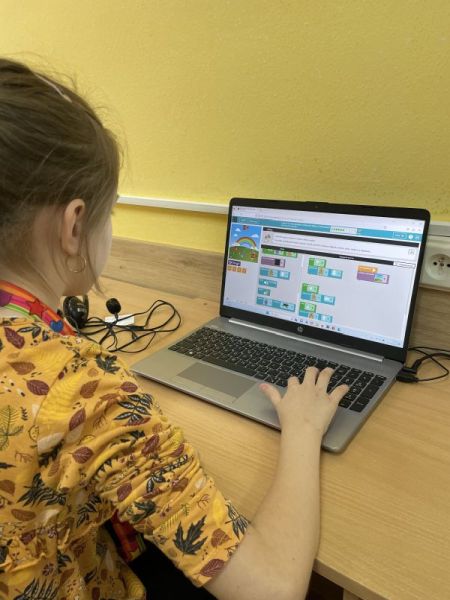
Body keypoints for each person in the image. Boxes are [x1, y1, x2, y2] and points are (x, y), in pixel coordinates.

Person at [0, 58, 348, 600]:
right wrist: (302, 430)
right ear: (74, 225)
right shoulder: (87, 392)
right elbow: (273, 589)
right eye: (110, 211)